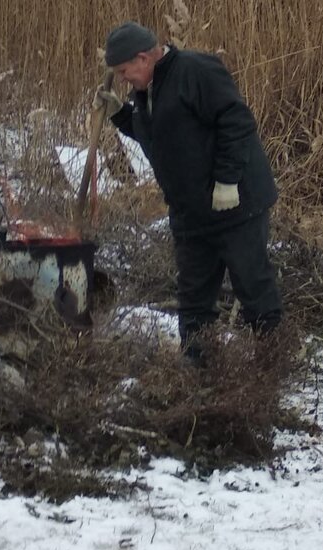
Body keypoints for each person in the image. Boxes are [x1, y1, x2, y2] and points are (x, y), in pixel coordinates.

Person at [95, 22, 283, 361]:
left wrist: (227, 181)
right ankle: (198, 368)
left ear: (143, 58)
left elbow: (236, 122)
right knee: (194, 297)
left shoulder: (196, 70)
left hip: (236, 205)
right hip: (191, 211)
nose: (123, 79)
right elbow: (167, 138)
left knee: (252, 285)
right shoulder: (147, 88)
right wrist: (122, 116)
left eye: (124, 71)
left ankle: (273, 362)